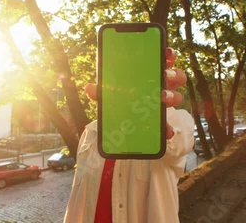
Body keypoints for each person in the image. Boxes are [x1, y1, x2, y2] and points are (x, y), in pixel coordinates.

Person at [63, 47, 194, 223]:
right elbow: (76, 202)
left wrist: (151, 115)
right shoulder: (92, 131)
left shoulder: (179, 120)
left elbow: (175, 146)